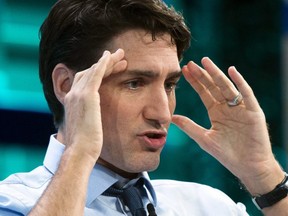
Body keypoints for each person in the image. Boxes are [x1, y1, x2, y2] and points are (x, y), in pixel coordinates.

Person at [0, 0, 287, 215]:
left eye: (169, 85)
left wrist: (262, 175)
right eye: (134, 83)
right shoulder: (13, 203)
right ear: (66, 85)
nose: (162, 113)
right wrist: (79, 153)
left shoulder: (208, 206)